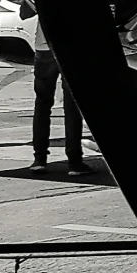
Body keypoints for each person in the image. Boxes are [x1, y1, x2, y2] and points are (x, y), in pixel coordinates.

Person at [27, 10, 86, 174]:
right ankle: (74, 161)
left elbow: (24, 13)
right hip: (70, 46)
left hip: (43, 47)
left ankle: (39, 159)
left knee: (42, 104)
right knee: (72, 107)